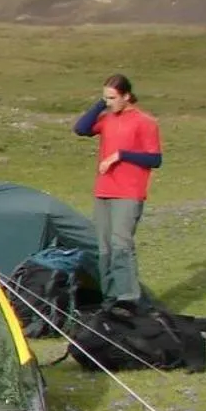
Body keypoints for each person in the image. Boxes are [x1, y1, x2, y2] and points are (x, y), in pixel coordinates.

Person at [74, 74, 162, 310]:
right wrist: (100, 104)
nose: (109, 102)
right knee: (104, 247)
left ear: (126, 96)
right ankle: (110, 296)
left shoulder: (145, 122)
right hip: (104, 190)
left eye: (112, 98)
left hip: (128, 192)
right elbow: (81, 129)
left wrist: (121, 155)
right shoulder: (107, 118)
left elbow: (155, 159)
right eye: (106, 98)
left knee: (121, 244)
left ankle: (129, 297)